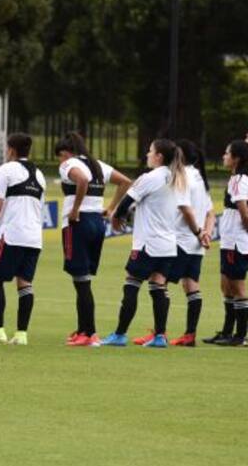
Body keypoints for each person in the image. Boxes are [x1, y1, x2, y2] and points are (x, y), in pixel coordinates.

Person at [100, 138, 201, 348]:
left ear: (159, 156)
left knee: (131, 284)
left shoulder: (151, 177)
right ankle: (160, 336)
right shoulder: (177, 178)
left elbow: (126, 202)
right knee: (158, 286)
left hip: (147, 243)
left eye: (150, 151)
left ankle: (119, 334)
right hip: (168, 244)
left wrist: (117, 217)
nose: (147, 154)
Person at [54, 131, 133, 346]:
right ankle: (83, 328)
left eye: (60, 156)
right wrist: (111, 208)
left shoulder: (69, 164)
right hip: (97, 223)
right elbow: (125, 182)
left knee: (81, 281)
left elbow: (81, 180)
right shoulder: (97, 164)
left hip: (77, 224)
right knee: (83, 278)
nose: (60, 162)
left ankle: (89, 334)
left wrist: (75, 209)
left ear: (66, 152)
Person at [140, 139, 212, 346]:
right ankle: (189, 334)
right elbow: (210, 212)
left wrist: (199, 231)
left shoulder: (183, 176)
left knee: (157, 282)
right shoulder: (199, 176)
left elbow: (184, 208)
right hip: (196, 243)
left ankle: (159, 333)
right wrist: (206, 232)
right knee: (191, 285)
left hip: (181, 239)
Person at [0, 133, 46, 346]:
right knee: (25, 283)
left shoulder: (7, 169)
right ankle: (21, 334)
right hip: (34, 237)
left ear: (12, 150)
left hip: (12, 234)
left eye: (7, 149)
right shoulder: (40, 175)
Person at [208, 139, 248, 345]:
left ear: (236, 158)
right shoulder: (237, 178)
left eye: (226, 153)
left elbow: (244, 211)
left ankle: (240, 336)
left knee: (238, 286)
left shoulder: (239, 180)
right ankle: (226, 331)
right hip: (229, 240)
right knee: (226, 285)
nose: (224, 156)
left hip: (236, 241)